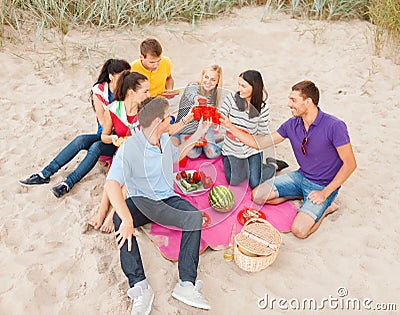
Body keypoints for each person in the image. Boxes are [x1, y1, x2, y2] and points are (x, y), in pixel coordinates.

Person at [105, 97, 211, 314]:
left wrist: (199, 133)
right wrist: (126, 219)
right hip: (141, 202)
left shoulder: (164, 140)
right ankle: (139, 286)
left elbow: (177, 155)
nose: (170, 118)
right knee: (119, 218)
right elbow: (111, 184)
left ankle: (186, 285)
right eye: (167, 116)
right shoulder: (131, 149)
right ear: (156, 121)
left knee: (194, 217)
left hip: (167, 199)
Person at [220, 80, 357, 238]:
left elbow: (350, 164)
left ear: (308, 102)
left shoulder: (335, 126)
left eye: (293, 100)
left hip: (323, 186)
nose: (289, 104)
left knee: (300, 231)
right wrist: (230, 127)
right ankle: (300, 195)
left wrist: (324, 193)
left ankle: (326, 208)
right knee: (257, 195)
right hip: (300, 176)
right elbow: (260, 143)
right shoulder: (292, 125)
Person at [18, 59, 131, 197]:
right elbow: (102, 120)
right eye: (122, 75)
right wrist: (111, 130)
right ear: (111, 76)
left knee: (95, 147)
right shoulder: (100, 90)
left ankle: (67, 183)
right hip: (106, 131)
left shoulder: (128, 91)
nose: (126, 78)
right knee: (81, 140)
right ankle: (45, 174)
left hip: (121, 136)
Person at [88, 71, 150, 233]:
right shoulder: (114, 110)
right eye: (145, 91)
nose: (149, 95)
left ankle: (112, 215)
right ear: (131, 92)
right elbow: (104, 136)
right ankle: (101, 213)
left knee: (126, 182)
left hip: (141, 155)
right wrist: (115, 139)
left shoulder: (146, 111)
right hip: (122, 152)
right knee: (113, 178)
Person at [218, 70, 288, 190]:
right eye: (239, 84)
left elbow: (262, 135)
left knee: (254, 183)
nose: (239, 89)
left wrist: (244, 136)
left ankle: (272, 165)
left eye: (243, 86)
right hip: (231, 149)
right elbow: (220, 114)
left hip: (251, 150)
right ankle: (251, 168)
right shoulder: (231, 98)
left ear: (254, 87)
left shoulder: (262, 108)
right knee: (233, 181)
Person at [173, 64, 223, 159]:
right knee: (192, 154)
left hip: (203, 129)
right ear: (202, 76)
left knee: (211, 153)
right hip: (186, 130)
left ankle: (225, 144)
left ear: (217, 82)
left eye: (213, 80)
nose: (208, 82)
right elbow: (190, 93)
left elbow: (209, 120)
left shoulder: (213, 96)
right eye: (206, 77)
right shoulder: (193, 86)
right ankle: (210, 142)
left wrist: (210, 127)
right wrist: (197, 99)